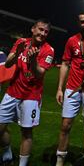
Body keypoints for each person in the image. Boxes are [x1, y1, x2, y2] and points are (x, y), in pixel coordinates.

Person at [0, 19, 54, 166]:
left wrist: (33, 60)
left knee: (26, 132)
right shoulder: (21, 42)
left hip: (31, 96)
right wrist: (18, 52)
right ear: (33, 29)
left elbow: (39, 74)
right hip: (12, 92)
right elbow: (8, 64)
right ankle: (7, 154)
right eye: (40, 29)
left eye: (46, 32)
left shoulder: (49, 50)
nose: (43, 33)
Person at [55, 12, 84, 166]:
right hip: (72, 88)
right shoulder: (72, 40)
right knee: (65, 125)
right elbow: (65, 64)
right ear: (79, 23)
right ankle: (60, 160)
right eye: (82, 22)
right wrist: (60, 88)